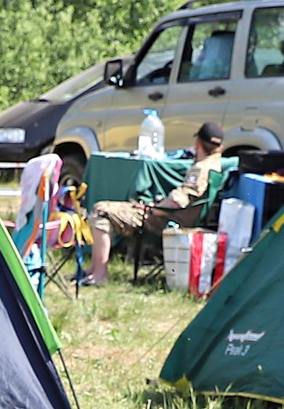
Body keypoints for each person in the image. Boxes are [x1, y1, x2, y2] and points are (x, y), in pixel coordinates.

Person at [88, 120, 232, 285]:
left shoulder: (201, 169)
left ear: (198, 143)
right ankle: (93, 269)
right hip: (175, 217)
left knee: (101, 210)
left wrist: (153, 209)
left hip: (167, 220)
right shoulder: (215, 165)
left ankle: (99, 273)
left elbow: (178, 201)